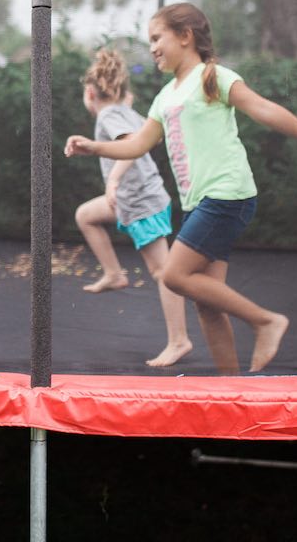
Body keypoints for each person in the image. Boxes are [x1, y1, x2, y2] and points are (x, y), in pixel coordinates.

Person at [65, 3, 297, 374]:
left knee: (173, 276)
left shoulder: (213, 77)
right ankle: (229, 388)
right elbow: (137, 145)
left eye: (157, 38)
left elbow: (263, 109)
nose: (152, 47)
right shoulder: (165, 97)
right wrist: (94, 147)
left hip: (227, 194)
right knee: (206, 303)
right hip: (199, 202)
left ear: (185, 37)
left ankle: (266, 321)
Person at [73, 48, 193, 367]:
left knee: (163, 272)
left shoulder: (110, 115)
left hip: (140, 202)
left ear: (90, 93)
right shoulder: (123, 110)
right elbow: (150, 134)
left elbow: (131, 147)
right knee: (86, 215)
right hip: (132, 199)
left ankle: (179, 340)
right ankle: (114, 274)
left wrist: (112, 181)